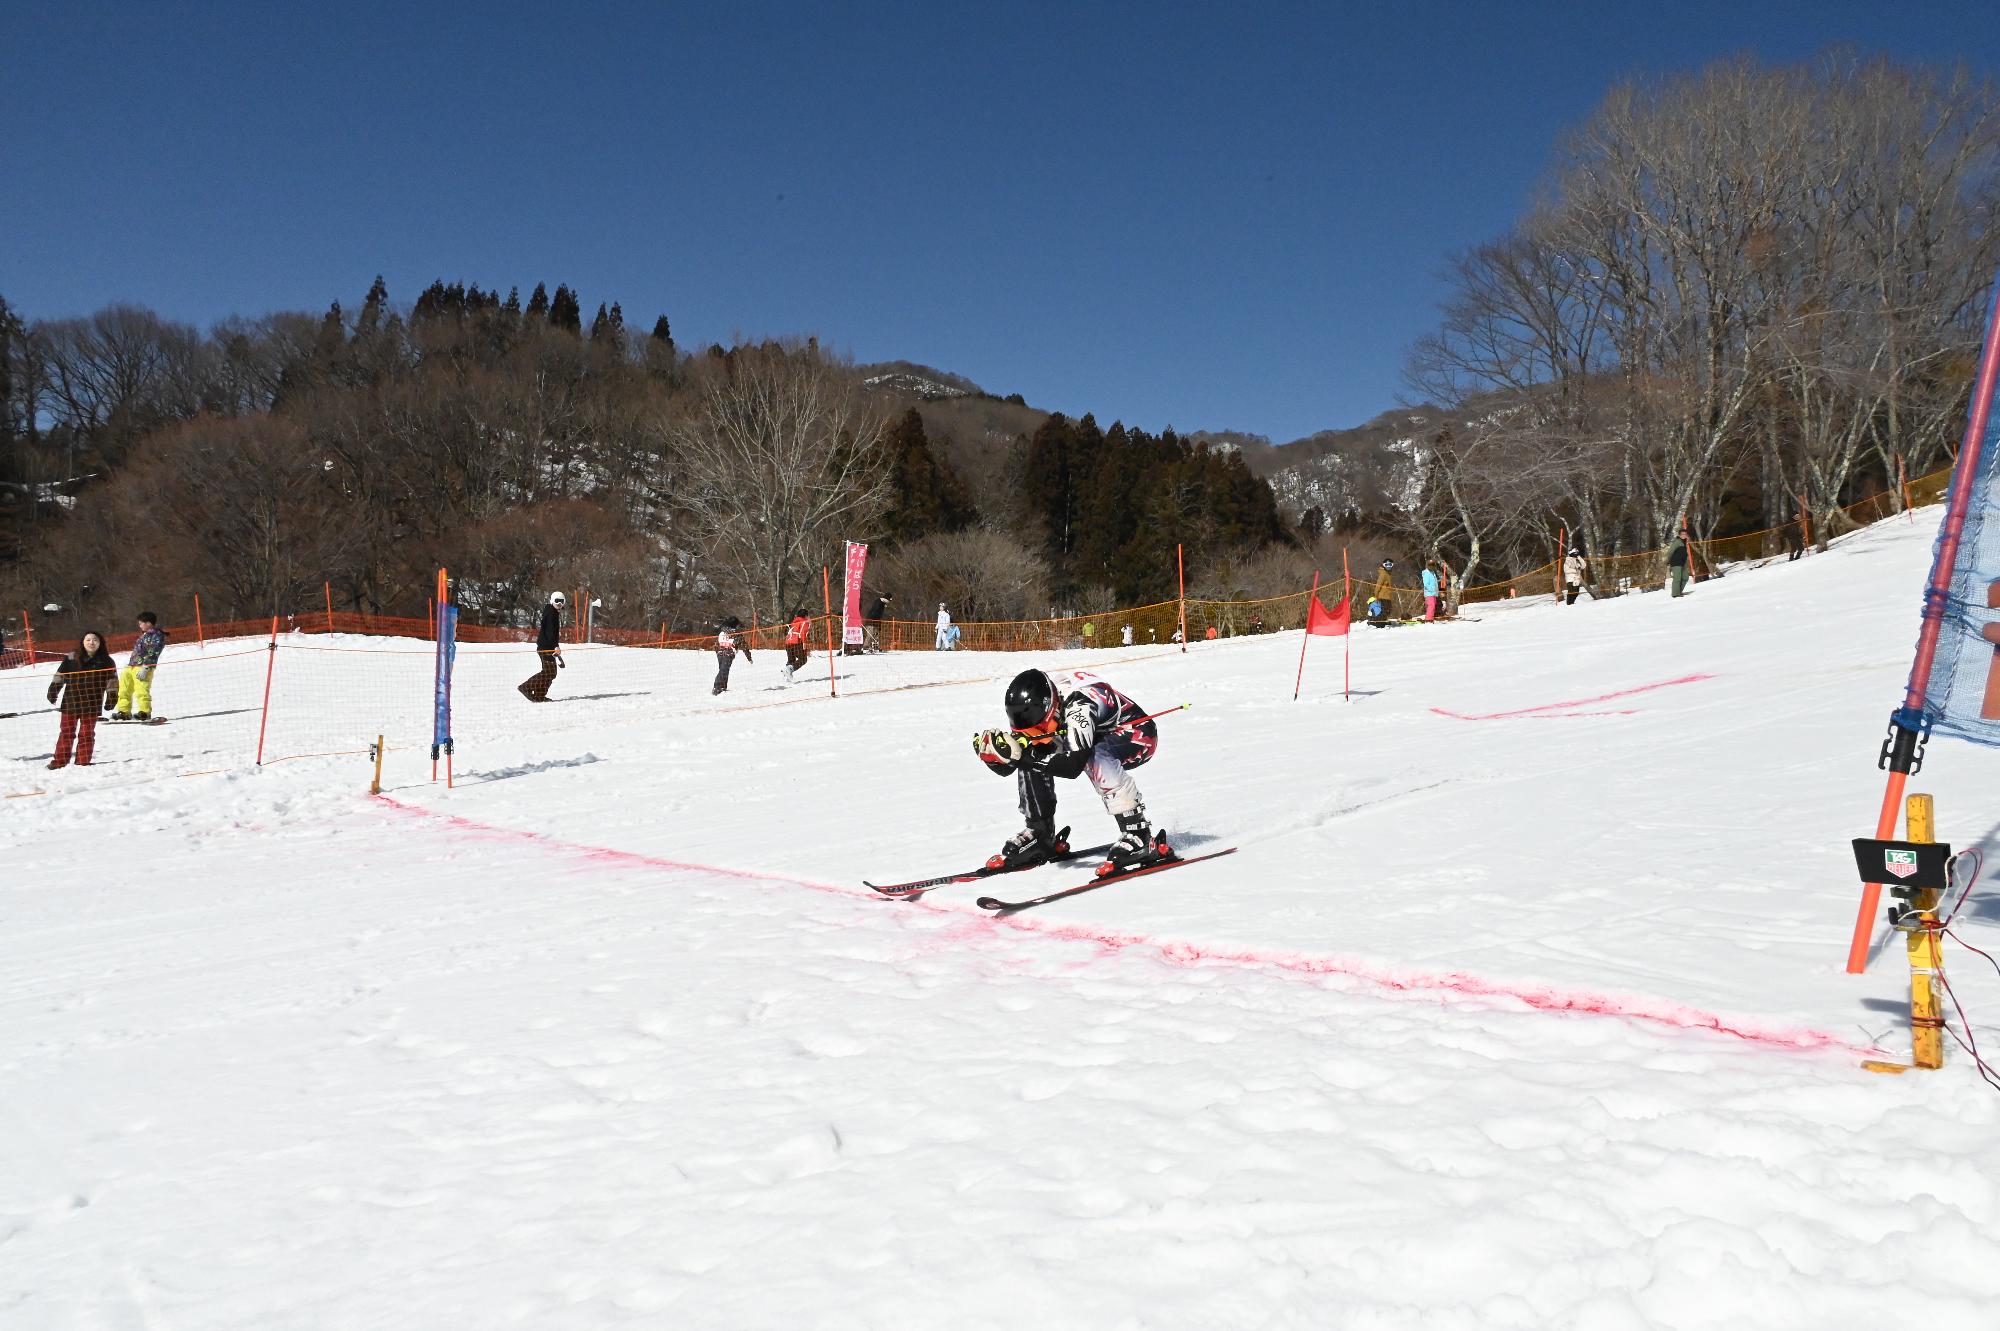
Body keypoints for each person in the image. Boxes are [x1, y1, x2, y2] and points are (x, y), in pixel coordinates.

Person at [972, 669, 1169, 877]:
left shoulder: (1079, 707)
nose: (1033, 734)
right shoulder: (1038, 706)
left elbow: (1073, 766)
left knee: (1094, 755)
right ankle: (1040, 832)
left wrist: (1023, 757)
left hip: (1137, 735)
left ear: (1050, 710)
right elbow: (1012, 765)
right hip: (1097, 732)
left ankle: (1139, 834)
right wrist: (996, 757)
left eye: (1038, 729)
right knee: (1031, 751)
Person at [46, 630, 117, 769]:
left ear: (100, 643)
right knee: (66, 732)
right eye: (88, 640)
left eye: (95, 640)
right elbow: (60, 675)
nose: (91, 642)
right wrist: (53, 690)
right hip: (71, 702)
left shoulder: (107, 661)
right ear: (82, 642)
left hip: (92, 703)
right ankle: (60, 761)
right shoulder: (71, 657)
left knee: (87, 734)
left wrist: (112, 697)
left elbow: (112, 681)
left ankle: (82, 761)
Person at [112, 610, 168, 720]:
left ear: (148, 623)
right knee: (124, 689)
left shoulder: (156, 635)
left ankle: (145, 711)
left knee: (141, 689)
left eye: (141, 623)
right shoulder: (144, 635)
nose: (140, 625)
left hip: (142, 667)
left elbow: (154, 651)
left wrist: (146, 666)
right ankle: (123, 711)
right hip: (132, 665)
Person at [518, 592, 566, 701]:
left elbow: (552, 633)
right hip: (546, 647)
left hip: (547, 646)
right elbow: (550, 632)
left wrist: (555, 645)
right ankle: (526, 687)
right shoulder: (551, 613)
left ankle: (539, 696)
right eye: (557, 600)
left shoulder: (552, 612)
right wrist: (555, 646)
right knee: (549, 672)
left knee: (549, 673)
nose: (559, 603)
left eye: (561, 601)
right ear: (552, 600)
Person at [713, 616, 752, 695]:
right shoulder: (737, 634)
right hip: (729, 654)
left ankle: (722, 687)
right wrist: (749, 657)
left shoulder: (721, 630)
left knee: (723, 669)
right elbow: (744, 646)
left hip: (720, 653)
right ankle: (717, 687)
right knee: (723, 670)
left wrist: (717, 651)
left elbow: (716, 642)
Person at [784, 606, 812, 682]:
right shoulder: (804, 622)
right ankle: (789, 670)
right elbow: (803, 633)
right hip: (797, 642)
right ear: (806, 616)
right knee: (803, 659)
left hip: (788, 643)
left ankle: (788, 675)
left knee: (791, 660)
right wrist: (805, 645)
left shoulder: (794, 622)